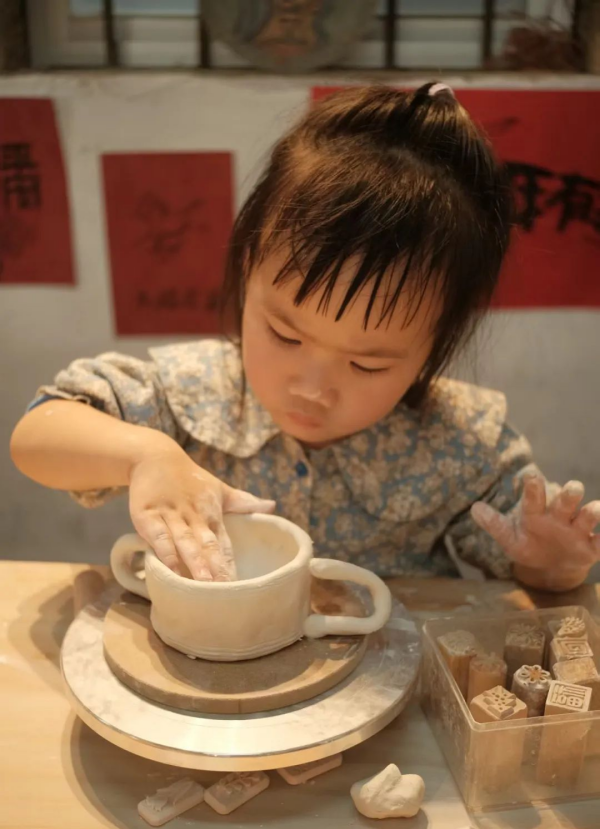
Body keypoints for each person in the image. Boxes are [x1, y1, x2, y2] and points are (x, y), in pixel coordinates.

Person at [11, 83, 600, 590]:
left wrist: (554, 562)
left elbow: (534, 574)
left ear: (436, 345)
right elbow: (37, 435)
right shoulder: (190, 392)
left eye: (368, 365)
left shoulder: (462, 445)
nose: (313, 387)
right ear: (248, 271)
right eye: (285, 335)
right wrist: (146, 455)